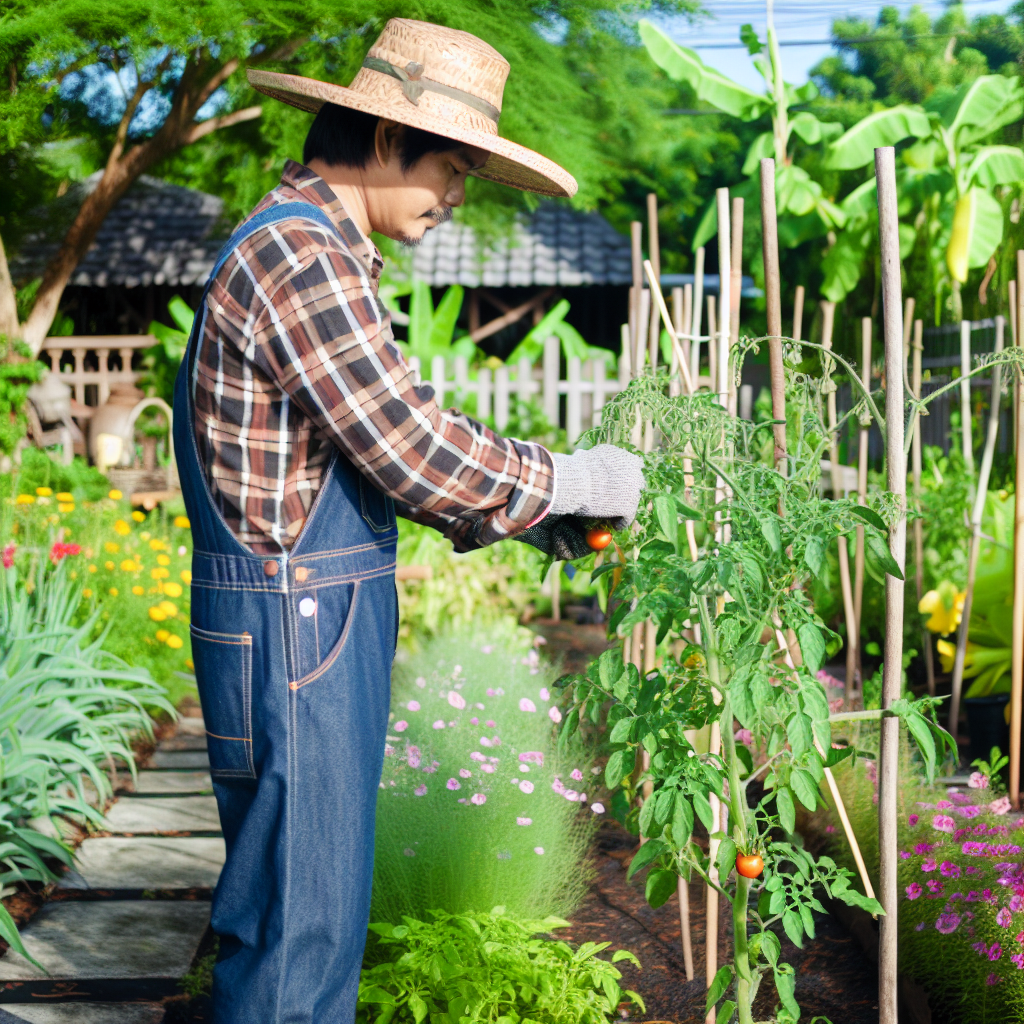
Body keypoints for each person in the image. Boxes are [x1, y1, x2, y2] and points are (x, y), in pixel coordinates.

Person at [172, 18, 643, 1023]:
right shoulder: (300, 257)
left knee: (308, 913)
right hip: (293, 621)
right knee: (297, 939)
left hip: (300, 617)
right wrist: (571, 477)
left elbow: (363, 453)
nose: (460, 194)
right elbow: (409, 446)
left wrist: (529, 519)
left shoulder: (306, 249)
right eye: (453, 165)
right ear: (385, 142)